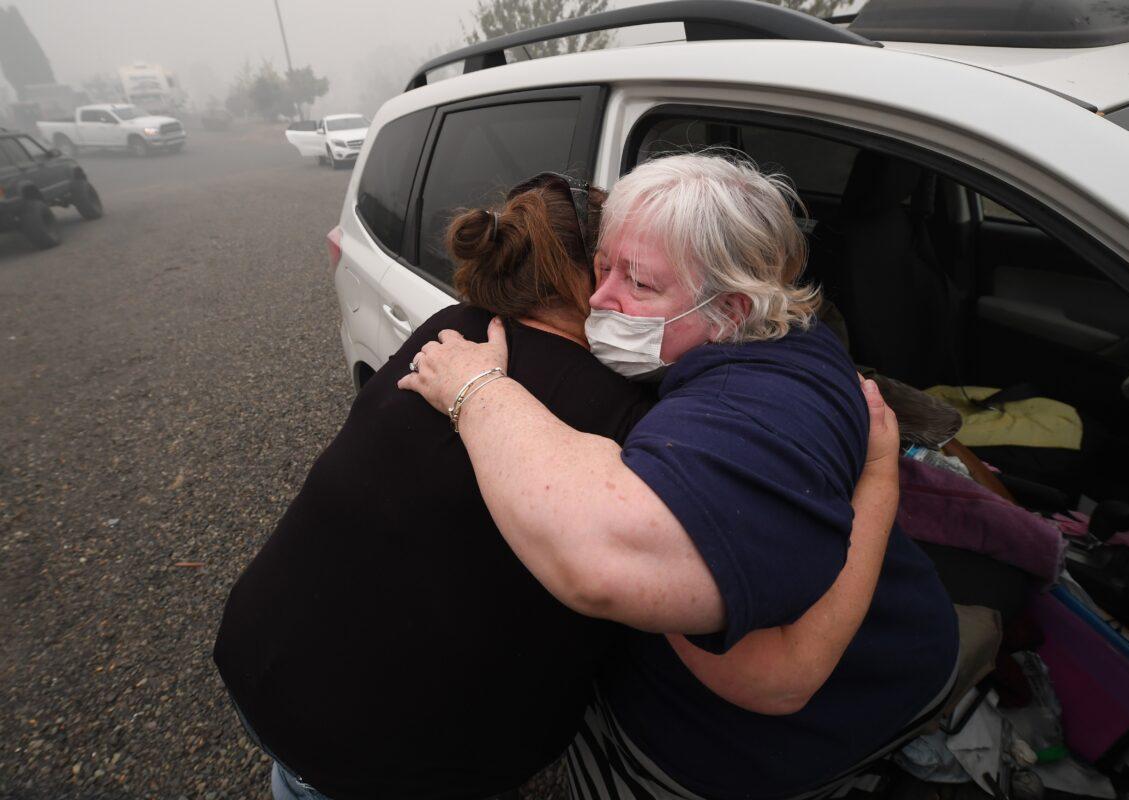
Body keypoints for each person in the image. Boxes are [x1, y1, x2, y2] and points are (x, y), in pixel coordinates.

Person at [214, 170, 902, 800]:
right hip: (377, 758)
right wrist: (877, 477)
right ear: (577, 274)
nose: (609, 298)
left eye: (636, 280)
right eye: (607, 270)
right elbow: (766, 669)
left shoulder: (451, 329)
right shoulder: (623, 423)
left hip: (262, 647)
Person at [399, 153, 961, 799]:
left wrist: (478, 388)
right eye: (601, 267)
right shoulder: (777, 333)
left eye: (638, 285)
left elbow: (769, 672)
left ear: (731, 307)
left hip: (769, 745)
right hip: (888, 665)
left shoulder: (752, 406)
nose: (596, 301)